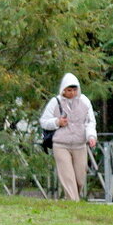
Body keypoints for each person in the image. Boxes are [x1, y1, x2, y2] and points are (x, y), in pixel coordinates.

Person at [40, 73, 97, 201]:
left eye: (74, 90)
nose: (72, 93)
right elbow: (44, 121)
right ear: (63, 90)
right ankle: (74, 204)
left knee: (79, 179)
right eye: (69, 90)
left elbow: (90, 122)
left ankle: (71, 200)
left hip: (79, 145)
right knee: (68, 177)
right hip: (61, 145)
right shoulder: (55, 102)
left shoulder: (84, 101)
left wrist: (91, 136)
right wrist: (57, 122)